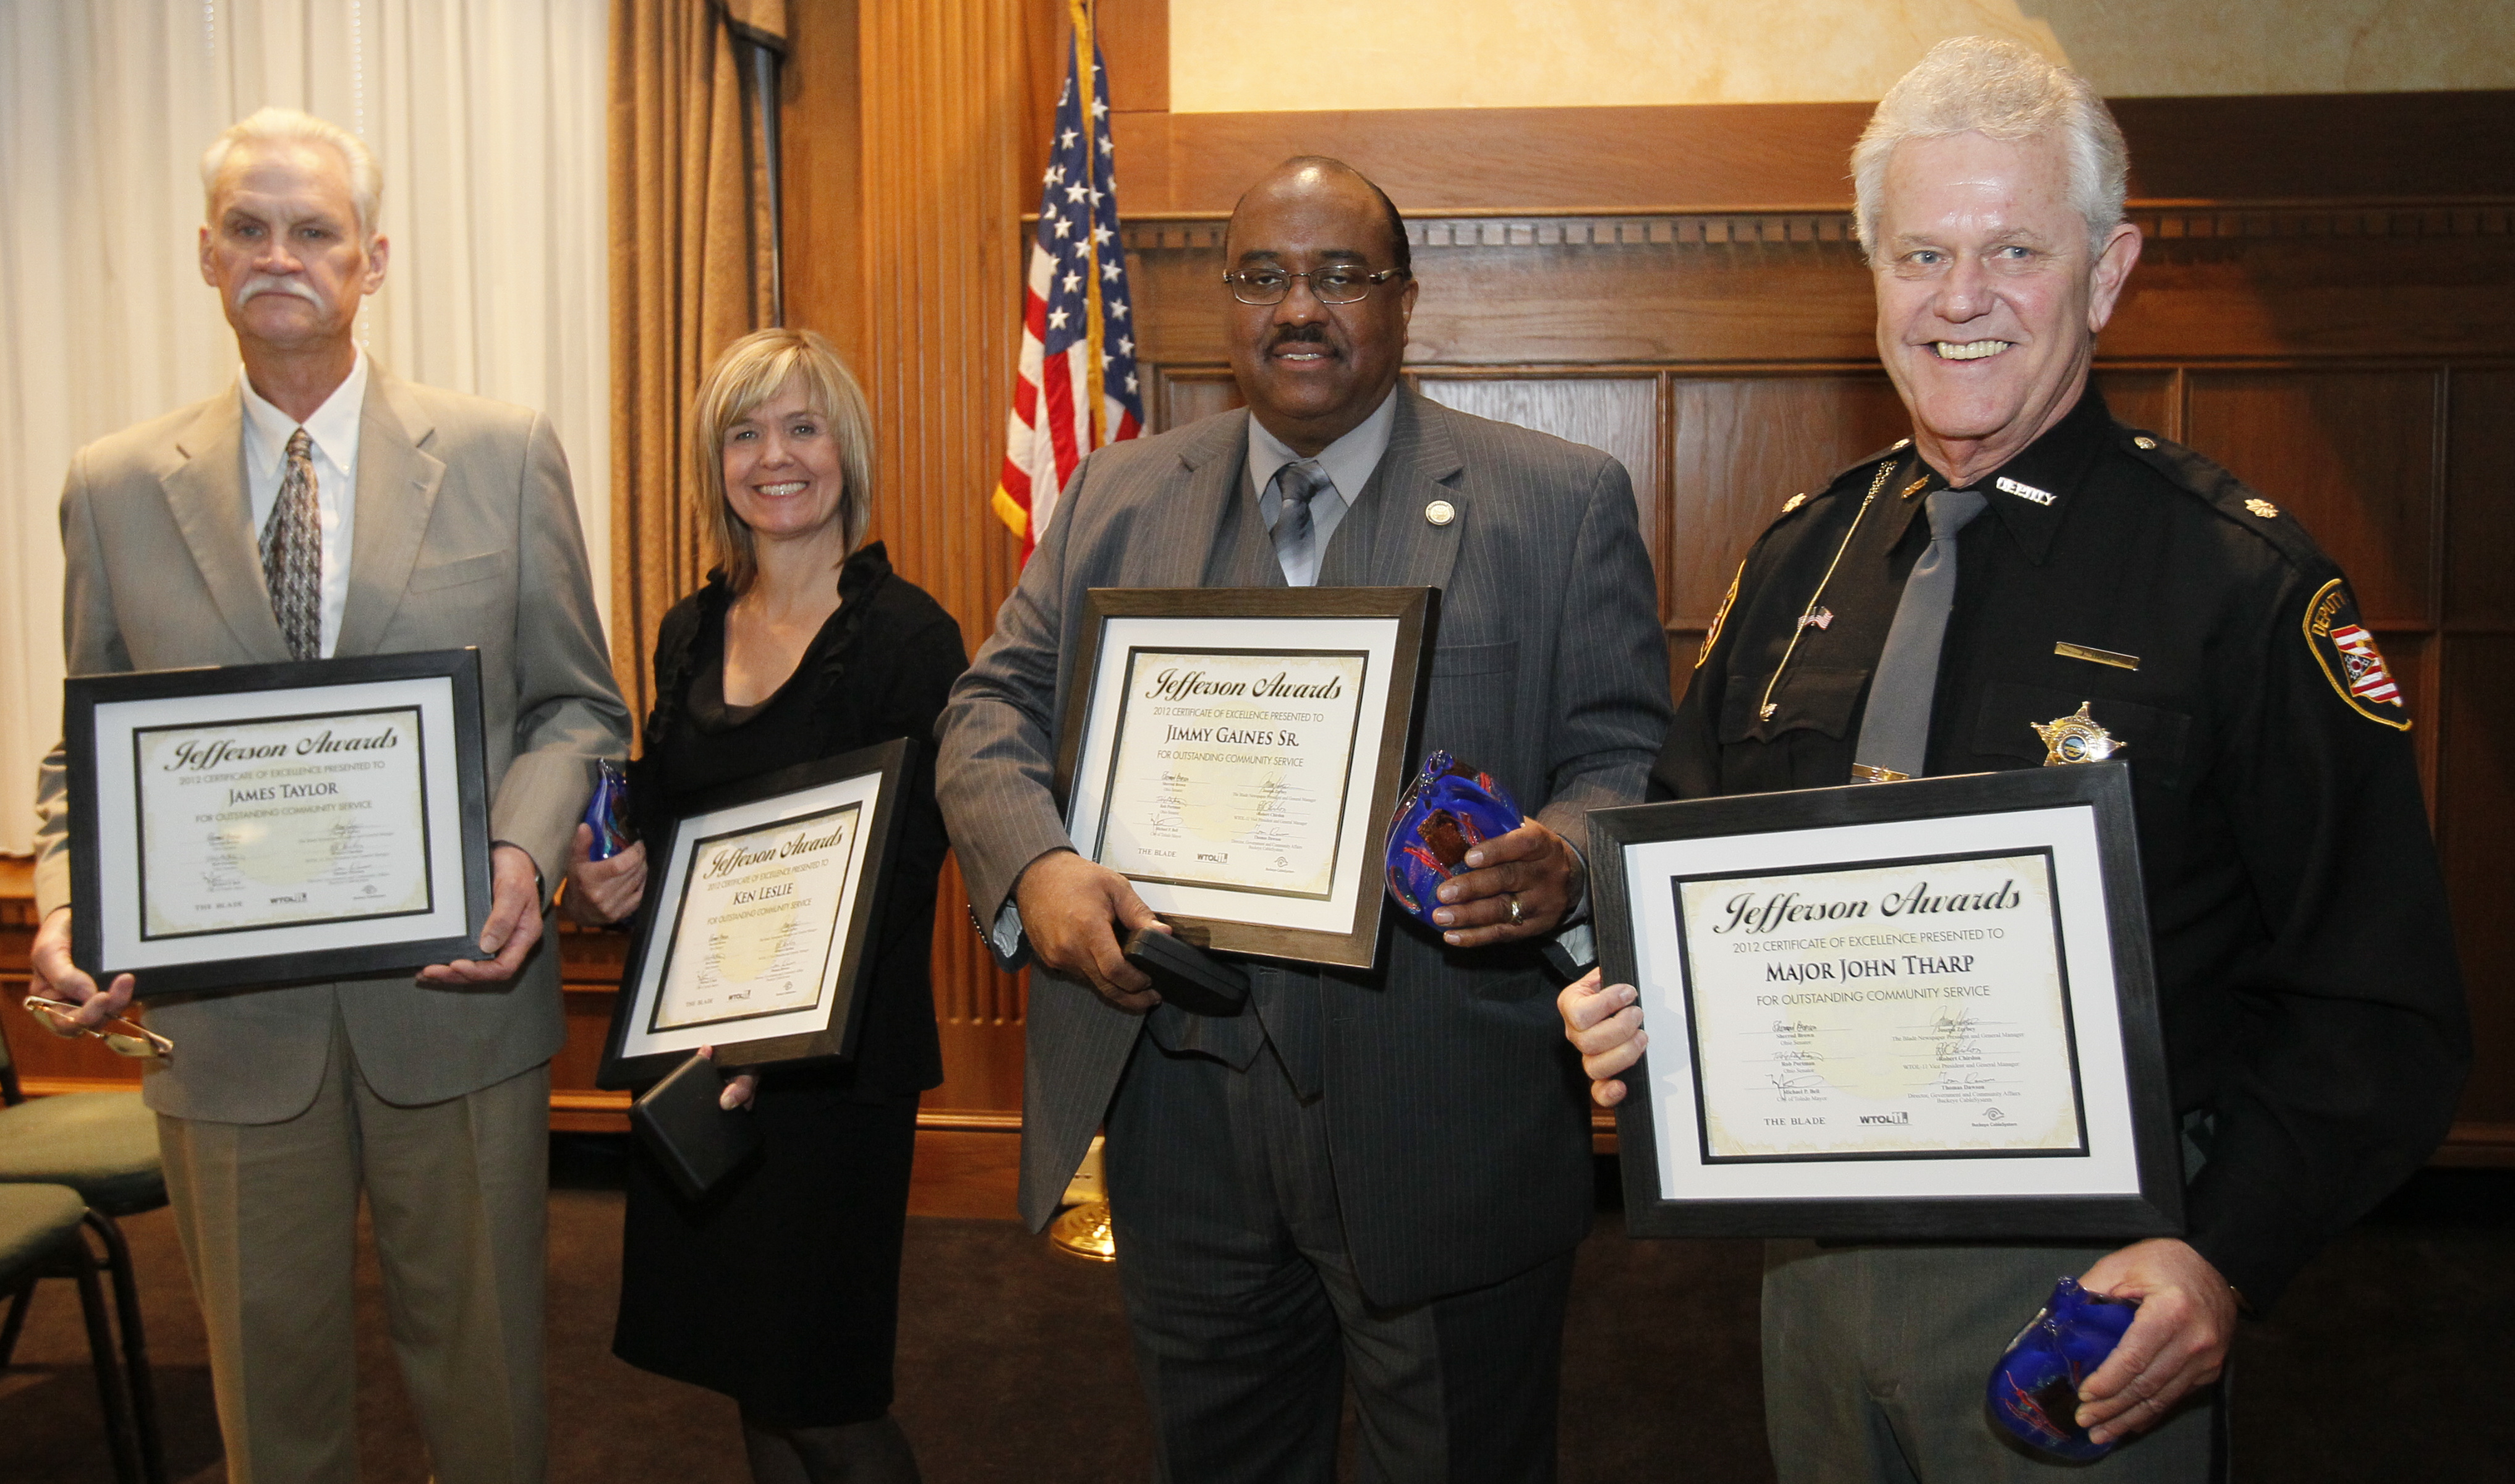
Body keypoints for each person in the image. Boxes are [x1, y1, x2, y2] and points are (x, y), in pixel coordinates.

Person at [1559, 37, 2469, 1483]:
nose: (1960, 298)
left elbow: (2381, 1000)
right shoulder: (1799, 559)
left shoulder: (2237, 583)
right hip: (1806, 1275)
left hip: (2094, 1295)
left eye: (2015, 252)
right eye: (1921, 253)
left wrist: (2222, 1256)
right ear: (1875, 275)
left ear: (2107, 274)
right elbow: (1679, 857)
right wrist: (1625, 1000)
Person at [937, 156, 1672, 1482]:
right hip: (1177, 1111)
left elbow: (1626, 754)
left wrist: (1565, 854)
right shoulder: (1115, 496)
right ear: (1227, 302)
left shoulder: (1558, 500)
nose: (1299, 308)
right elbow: (988, 708)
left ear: (1404, 300)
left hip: (1445, 1113)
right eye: (1264, 276)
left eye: (1341, 275)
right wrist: (1035, 865)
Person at [27, 107, 629, 1483]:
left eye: (314, 230)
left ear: (374, 259)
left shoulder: (502, 453)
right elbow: (85, 754)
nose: (279, 254)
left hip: (458, 1007)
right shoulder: (114, 488)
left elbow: (578, 706)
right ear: (206, 254)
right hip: (229, 1036)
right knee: (274, 1424)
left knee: (488, 1406)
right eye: (249, 227)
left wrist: (520, 855)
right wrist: (68, 905)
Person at [562, 326, 964, 1484]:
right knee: (748, 1371)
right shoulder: (688, 631)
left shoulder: (909, 637)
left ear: (848, 449)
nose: (774, 456)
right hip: (695, 1057)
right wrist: (607, 877)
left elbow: (906, 866)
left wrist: (771, 1036)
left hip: (831, 1074)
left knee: (824, 1394)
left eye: (802, 427)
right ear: (716, 462)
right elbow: (667, 824)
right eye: (744, 433)